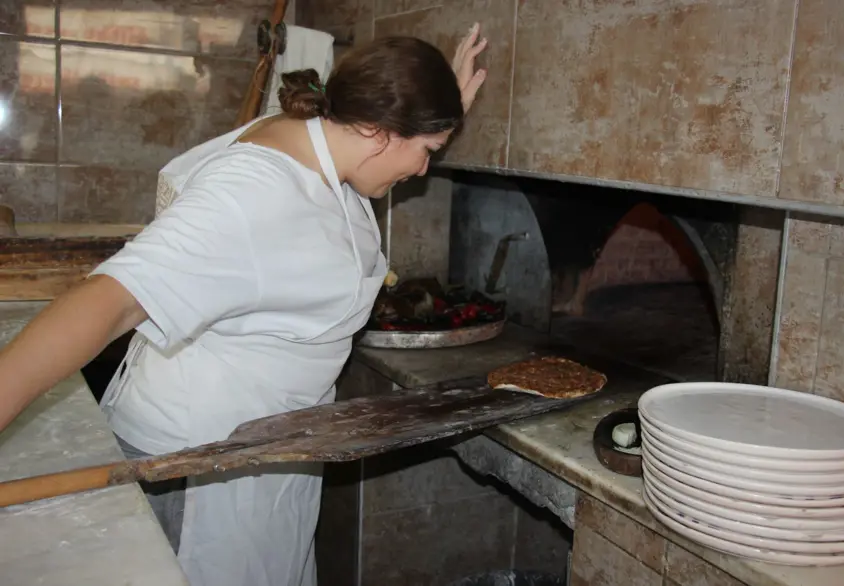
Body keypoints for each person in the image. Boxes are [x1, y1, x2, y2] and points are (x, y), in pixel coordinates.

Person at [0, 25, 488, 586]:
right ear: (380, 131)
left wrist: (427, 108)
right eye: (426, 152)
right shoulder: (252, 193)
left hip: (262, 453)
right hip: (201, 471)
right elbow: (106, 302)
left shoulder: (319, 138)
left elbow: (331, 208)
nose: (425, 170)